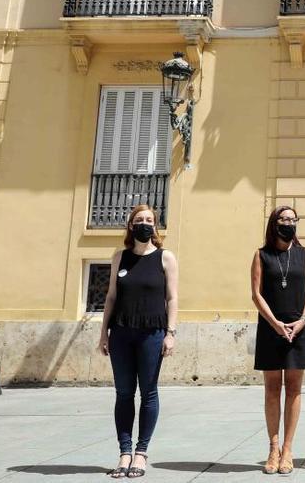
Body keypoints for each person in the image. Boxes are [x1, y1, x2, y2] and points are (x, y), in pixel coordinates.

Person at [98, 204, 178, 478]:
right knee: (123, 393)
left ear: (155, 226)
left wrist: (171, 333)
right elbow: (110, 297)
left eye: (149, 220)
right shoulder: (119, 257)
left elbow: (172, 298)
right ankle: (124, 452)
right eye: (139, 220)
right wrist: (103, 333)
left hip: (152, 334)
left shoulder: (165, 258)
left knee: (149, 392)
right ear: (131, 226)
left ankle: (141, 453)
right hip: (121, 333)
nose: (144, 223)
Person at [251, 206, 305, 474]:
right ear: (274, 223)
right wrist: (275, 324)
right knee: (271, 388)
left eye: (293, 219)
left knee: (293, 388)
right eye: (284, 219)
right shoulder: (261, 255)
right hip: (270, 327)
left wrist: (302, 320)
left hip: (299, 327)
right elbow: (256, 294)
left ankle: (288, 450)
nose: (289, 223)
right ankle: (273, 447)